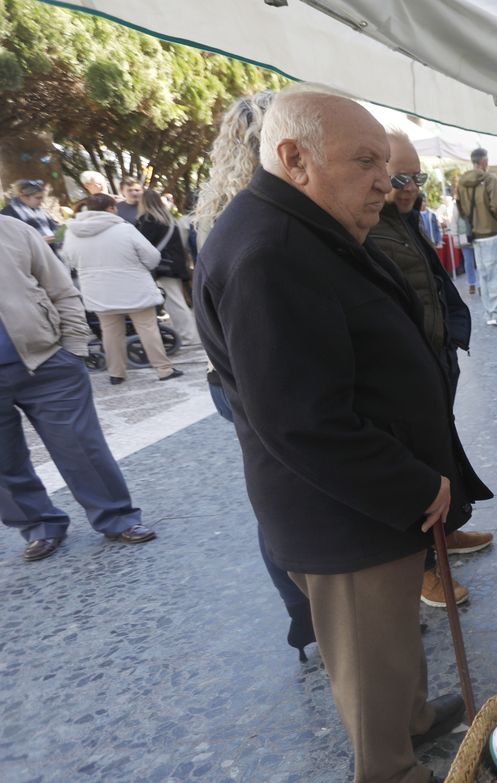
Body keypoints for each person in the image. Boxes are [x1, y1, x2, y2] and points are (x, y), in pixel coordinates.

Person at [195, 84, 489, 783]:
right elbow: (302, 420)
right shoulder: (268, 251)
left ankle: (414, 716)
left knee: (392, 633)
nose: (385, 183)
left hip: (368, 496)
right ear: (293, 159)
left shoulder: (302, 227)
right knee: (368, 642)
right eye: (365, 163)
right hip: (342, 510)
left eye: (386, 166)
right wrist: (411, 483)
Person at [193, 88, 318, 658]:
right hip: (252, 376)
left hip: (227, 379)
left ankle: (307, 613)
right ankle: (315, 609)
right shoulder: (263, 223)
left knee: (275, 492)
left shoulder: (221, 211)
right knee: (289, 492)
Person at [365, 128, 494, 607]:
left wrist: (451, 338)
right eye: (399, 176)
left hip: (432, 359)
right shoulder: (368, 226)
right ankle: (423, 566)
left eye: (415, 178)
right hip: (404, 372)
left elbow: (433, 283)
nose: (408, 186)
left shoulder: (405, 221)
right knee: (418, 464)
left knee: (442, 452)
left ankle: (447, 534)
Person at [0, 216, 157, 560]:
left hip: (46, 362)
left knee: (80, 447)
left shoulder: (13, 230)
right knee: (4, 463)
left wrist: (72, 347)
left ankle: (117, 517)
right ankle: (39, 526)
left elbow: (60, 288)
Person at [61, 194, 182, 385]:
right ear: (110, 209)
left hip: (97, 290)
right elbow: (152, 257)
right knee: (148, 328)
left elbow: (69, 261)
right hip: (133, 287)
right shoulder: (124, 229)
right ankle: (163, 369)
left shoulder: (72, 232)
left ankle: (116, 373)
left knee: (109, 332)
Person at [133, 189, 200, 349]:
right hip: (175, 265)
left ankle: (189, 336)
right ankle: (191, 333)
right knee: (178, 300)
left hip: (162, 266)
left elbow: (142, 245)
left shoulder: (147, 220)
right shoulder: (169, 220)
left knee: (174, 302)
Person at [456, 149, 497, 325]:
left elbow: (460, 207)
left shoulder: (462, 182)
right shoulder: (488, 179)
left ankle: (491, 312)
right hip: (491, 232)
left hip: (475, 234)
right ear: (483, 161)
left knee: (485, 275)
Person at [1, 179, 59, 249]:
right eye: (38, 198)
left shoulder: (38, 210)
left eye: (42, 198)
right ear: (24, 196)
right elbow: (10, 243)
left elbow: (53, 226)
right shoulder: (7, 215)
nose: (41, 201)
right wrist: (38, 242)